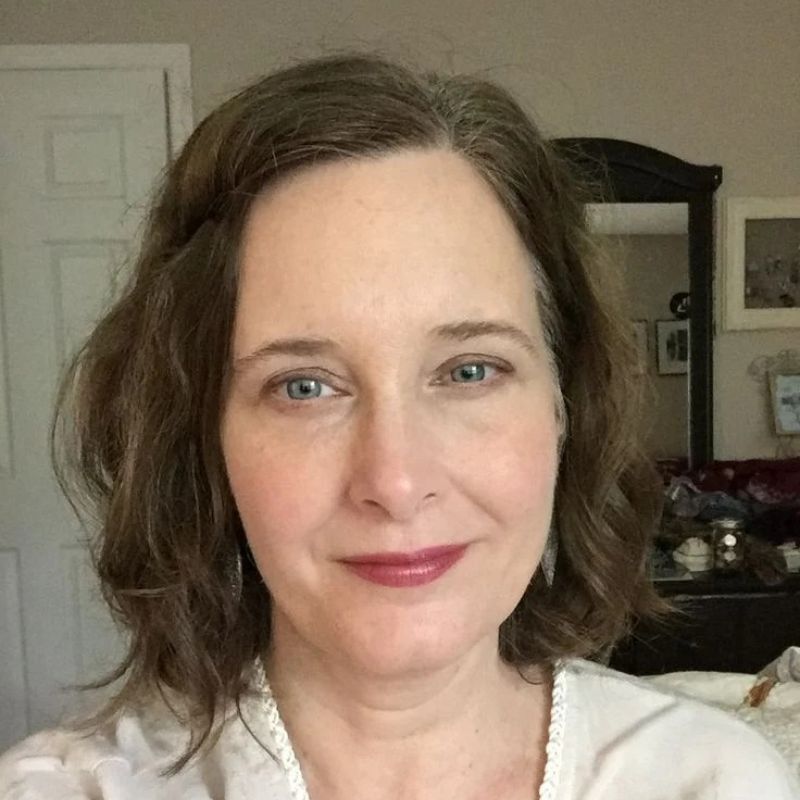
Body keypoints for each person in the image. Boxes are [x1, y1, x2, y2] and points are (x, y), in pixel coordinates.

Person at [0, 52, 796, 800]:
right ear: (204, 438)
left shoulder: (718, 781)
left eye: (470, 371)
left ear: (566, 407)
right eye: (304, 386)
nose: (396, 480)